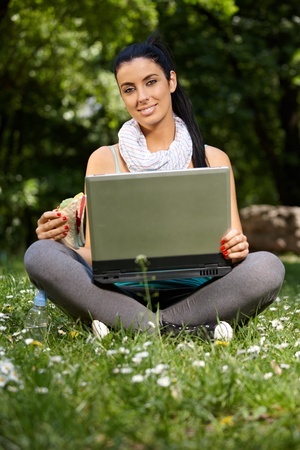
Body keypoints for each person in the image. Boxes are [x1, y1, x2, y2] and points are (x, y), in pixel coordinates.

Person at [24, 33, 285, 341]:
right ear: (122, 96)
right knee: (40, 254)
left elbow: (235, 252)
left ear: (171, 81)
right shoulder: (104, 159)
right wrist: (61, 242)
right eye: (129, 89)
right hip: (120, 294)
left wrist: (238, 248)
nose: (142, 97)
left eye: (151, 82)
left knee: (267, 267)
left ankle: (147, 327)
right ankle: (174, 328)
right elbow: (96, 255)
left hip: (199, 293)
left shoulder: (213, 159)